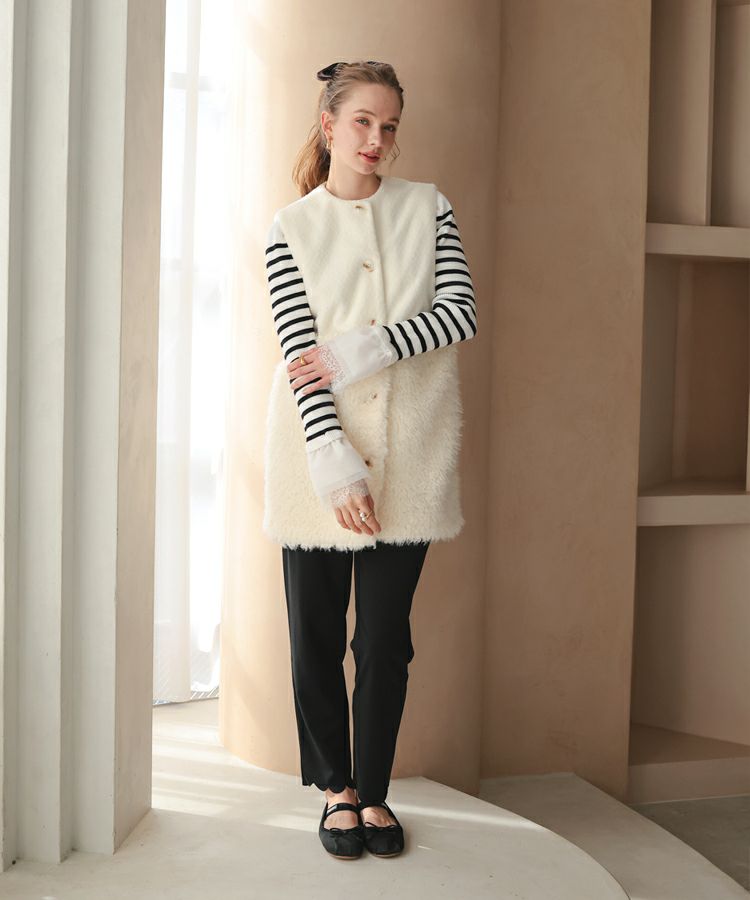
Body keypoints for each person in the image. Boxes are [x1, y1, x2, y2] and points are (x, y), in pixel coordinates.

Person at [262, 59, 477, 859]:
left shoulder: (430, 208)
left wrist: (363, 348)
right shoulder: (289, 228)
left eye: (389, 125)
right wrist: (333, 458)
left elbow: (460, 313)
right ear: (329, 124)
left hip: (412, 449)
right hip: (314, 451)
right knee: (314, 630)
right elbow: (298, 357)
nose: (377, 139)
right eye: (362, 121)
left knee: (385, 638)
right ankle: (335, 790)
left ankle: (375, 790)